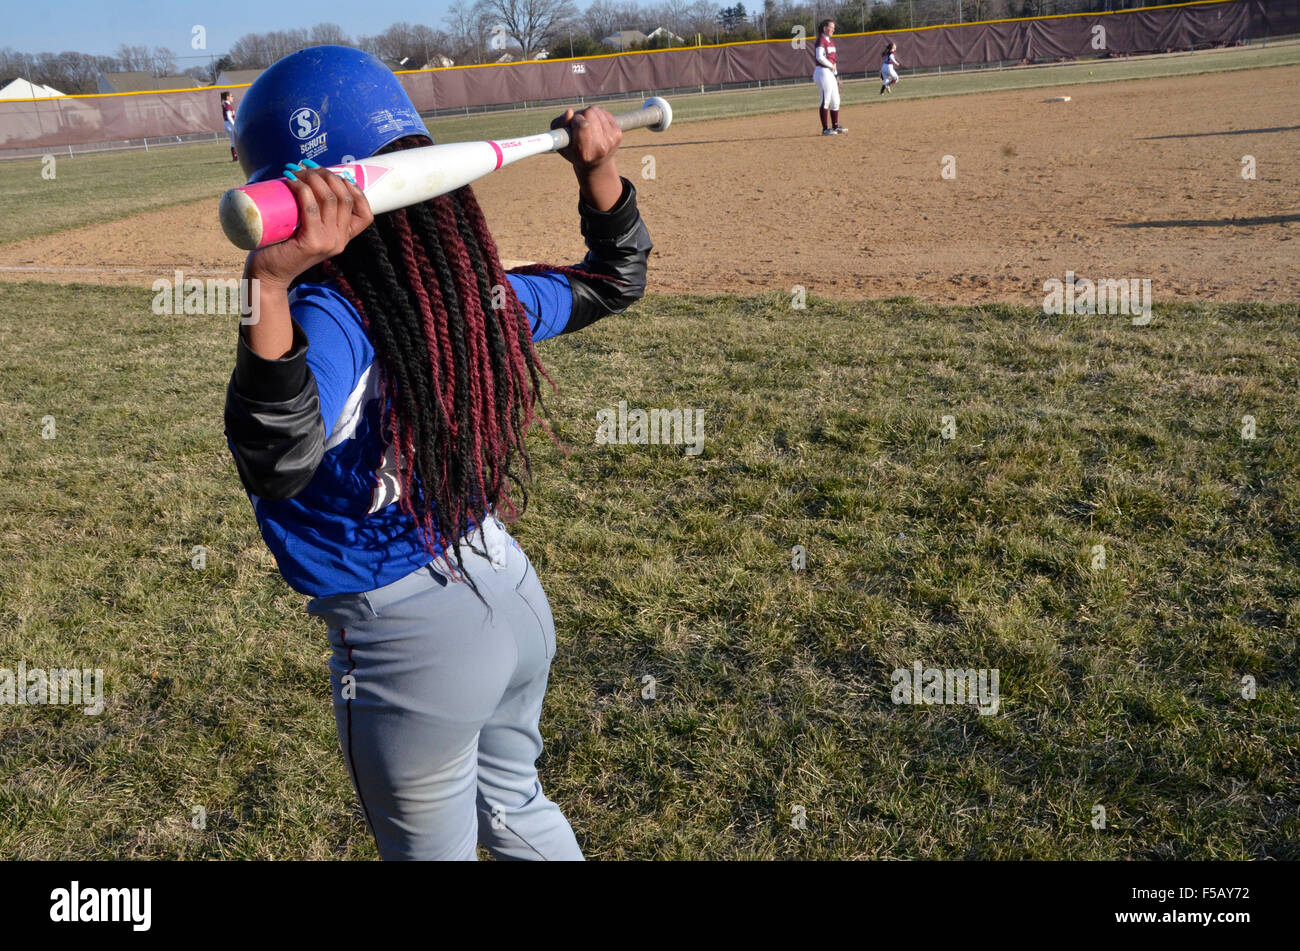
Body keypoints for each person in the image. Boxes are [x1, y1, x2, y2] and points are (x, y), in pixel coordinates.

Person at [223, 45, 651, 860]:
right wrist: (598, 171)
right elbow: (615, 278)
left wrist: (268, 287)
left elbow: (275, 459)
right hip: (508, 588)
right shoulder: (473, 292)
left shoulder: (329, 317)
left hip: (409, 644)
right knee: (518, 809)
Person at [812, 19, 845, 135]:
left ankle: (835, 126)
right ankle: (825, 129)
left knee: (835, 101)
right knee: (825, 100)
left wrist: (836, 76)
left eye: (833, 28)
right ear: (825, 28)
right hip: (822, 72)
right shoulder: (821, 40)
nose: (833, 30)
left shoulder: (830, 41)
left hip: (830, 73)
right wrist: (831, 66)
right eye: (831, 27)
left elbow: (833, 61)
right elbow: (819, 57)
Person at [220, 91, 237, 161]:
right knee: (234, 141)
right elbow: (229, 117)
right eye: (231, 96)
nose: (233, 97)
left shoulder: (226, 104)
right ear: (227, 97)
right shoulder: (227, 106)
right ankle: (235, 157)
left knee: (235, 141)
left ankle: (236, 157)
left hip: (228, 124)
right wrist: (234, 125)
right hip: (229, 124)